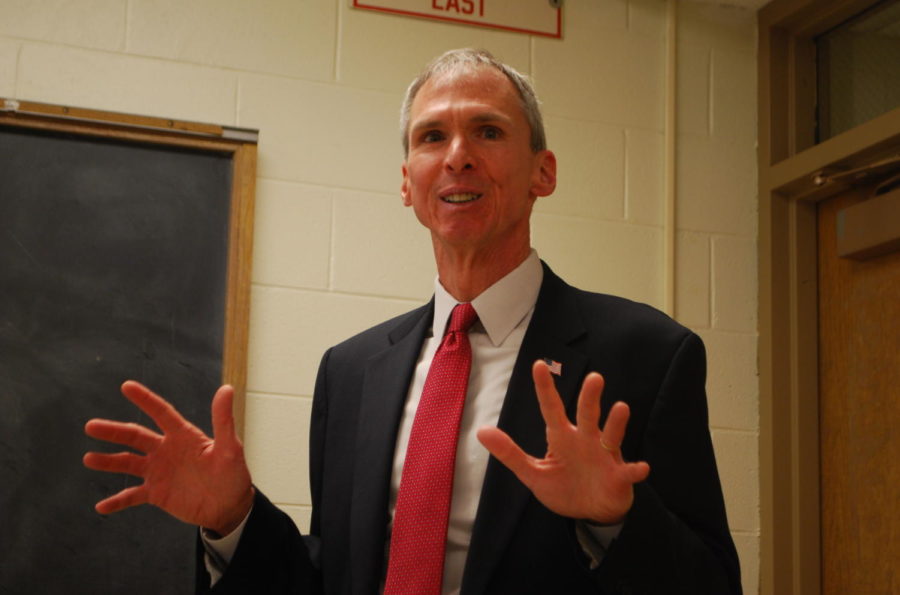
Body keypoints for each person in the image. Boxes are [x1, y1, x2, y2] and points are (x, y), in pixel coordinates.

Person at [84, 48, 742, 594]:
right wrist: (234, 519)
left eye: (487, 130)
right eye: (433, 136)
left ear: (544, 171)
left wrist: (617, 521)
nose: (457, 155)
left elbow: (713, 582)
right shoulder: (350, 371)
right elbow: (327, 578)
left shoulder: (647, 354)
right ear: (408, 182)